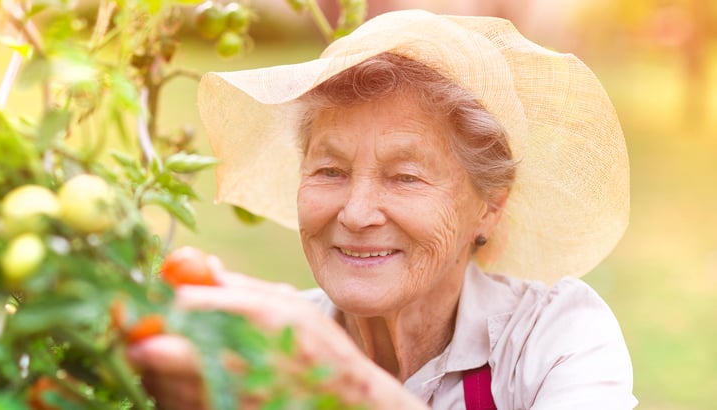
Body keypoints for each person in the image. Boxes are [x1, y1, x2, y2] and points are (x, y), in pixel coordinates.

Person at [127, 9, 637, 409]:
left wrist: (346, 393)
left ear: (488, 208)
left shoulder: (552, 338)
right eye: (330, 171)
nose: (356, 212)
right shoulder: (265, 352)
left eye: (405, 177)